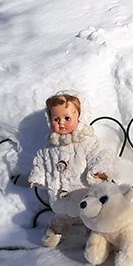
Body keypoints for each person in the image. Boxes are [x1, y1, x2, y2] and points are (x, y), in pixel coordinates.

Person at [28, 90, 113, 247]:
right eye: (56, 119)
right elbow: (40, 163)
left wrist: (98, 171)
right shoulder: (48, 148)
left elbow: (101, 155)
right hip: (60, 199)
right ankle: (58, 228)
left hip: (83, 195)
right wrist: (37, 177)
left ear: (79, 117)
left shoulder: (88, 142)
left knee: (91, 217)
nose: (61, 123)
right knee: (62, 215)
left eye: (67, 118)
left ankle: (96, 238)